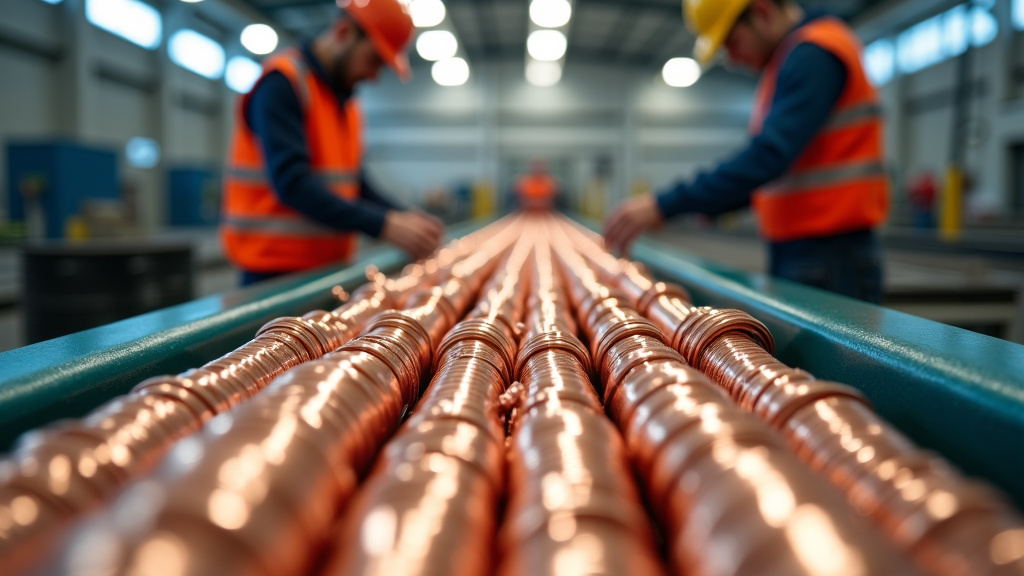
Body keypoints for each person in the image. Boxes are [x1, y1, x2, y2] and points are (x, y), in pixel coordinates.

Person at [603, 0, 889, 303]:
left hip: (831, 255)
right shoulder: (790, 61)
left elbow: (767, 157)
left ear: (762, 12)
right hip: (808, 251)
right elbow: (777, 171)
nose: (735, 59)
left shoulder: (815, 53)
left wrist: (666, 204)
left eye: (733, 43)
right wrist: (707, 204)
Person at [221, 0, 444, 286]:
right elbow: (292, 182)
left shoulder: (345, 102)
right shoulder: (283, 83)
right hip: (272, 275)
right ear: (343, 32)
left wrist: (403, 216)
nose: (374, 76)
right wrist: (383, 225)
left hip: (326, 271)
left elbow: (354, 184)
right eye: (374, 60)